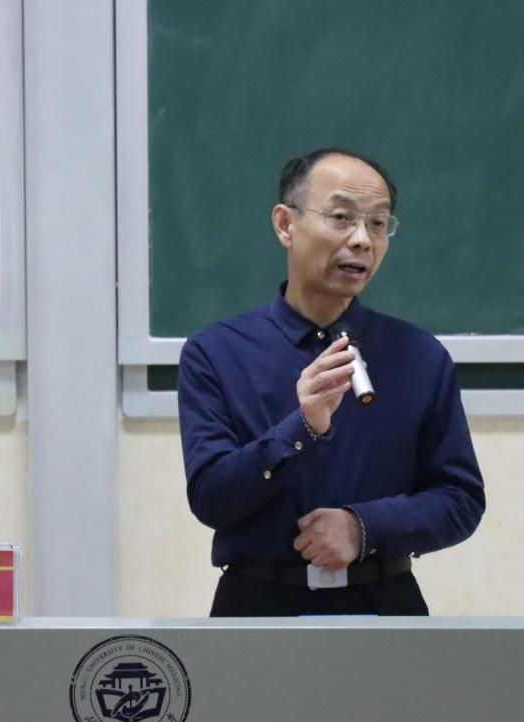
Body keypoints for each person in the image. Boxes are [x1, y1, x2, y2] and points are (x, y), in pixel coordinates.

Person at [176, 147, 485, 617]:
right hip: (257, 607)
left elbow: (460, 500)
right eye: (341, 218)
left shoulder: (419, 356)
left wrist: (365, 527)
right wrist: (299, 430)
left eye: (378, 223)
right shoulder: (216, 353)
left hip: (384, 603)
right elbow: (211, 500)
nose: (362, 240)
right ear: (285, 224)